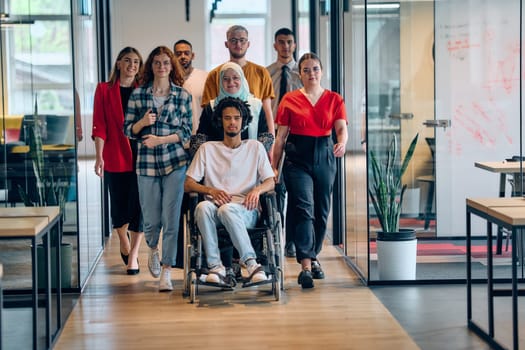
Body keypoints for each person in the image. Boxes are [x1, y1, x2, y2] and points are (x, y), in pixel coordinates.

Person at [272, 53, 348, 289]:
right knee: (304, 207)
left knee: (322, 208)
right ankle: (306, 265)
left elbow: (341, 128)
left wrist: (342, 143)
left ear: (321, 72)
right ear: (300, 74)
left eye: (315, 69)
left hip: (325, 154)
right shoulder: (290, 99)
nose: (311, 73)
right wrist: (274, 166)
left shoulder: (334, 99)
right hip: (297, 157)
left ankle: (314, 256)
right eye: (306, 70)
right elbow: (281, 137)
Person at [185, 97, 275, 285]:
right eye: (227, 118)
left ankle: (251, 264)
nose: (232, 122)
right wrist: (210, 190)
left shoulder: (255, 147)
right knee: (202, 207)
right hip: (215, 208)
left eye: (236, 118)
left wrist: (257, 191)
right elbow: (188, 183)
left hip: (245, 209)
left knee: (227, 209)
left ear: (244, 121)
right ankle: (216, 267)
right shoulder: (207, 149)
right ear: (220, 120)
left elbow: (270, 182)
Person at [123, 46, 192, 292]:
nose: (161, 66)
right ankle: (152, 247)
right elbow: (126, 130)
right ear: (150, 66)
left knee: (171, 219)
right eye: (157, 63)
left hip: (175, 163)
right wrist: (142, 123)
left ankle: (166, 270)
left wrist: (160, 140)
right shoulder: (138, 95)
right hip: (147, 165)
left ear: (172, 66)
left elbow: (186, 133)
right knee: (151, 219)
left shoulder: (183, 96)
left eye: (166, 62)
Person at [92, 46, 144, 275]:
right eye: (127, 60)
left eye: (136, 62)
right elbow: (99, 124)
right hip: (115, 154)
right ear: (118, 64)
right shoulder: (104, 90)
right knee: (119, 206)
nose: (131, 65)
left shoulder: (143, 90)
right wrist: (98, 156)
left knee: (140, 206)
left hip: (142, 156)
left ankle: (133, 257)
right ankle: (122, 238)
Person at [201, 25, 275, 143]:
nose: (238, 44)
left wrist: (271, 144)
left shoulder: (261, 73)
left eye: (242, 40)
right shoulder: (214, 75)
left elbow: (266, 110)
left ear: (248, 43)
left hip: (252, 141)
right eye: (233, 40)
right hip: (219, 143)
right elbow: (209, 114)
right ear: (226, 44)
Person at [266, 27, 303, 258]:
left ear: (295, 45)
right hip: (274, 137)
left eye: (289, 42)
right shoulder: (268, 73)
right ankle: (277, 240)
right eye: (281, 42)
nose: (285, 46)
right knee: (277, 188)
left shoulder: (304, 73)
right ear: (275, 45)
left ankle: (292, 241)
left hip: (298, 138)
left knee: (297, 192)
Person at [190, 61, 273, 156]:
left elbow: (265, 135)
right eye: (226, 79)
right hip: (217, 162)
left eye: (235, 78)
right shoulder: (211, 107)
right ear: (220, 81)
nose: (231, 82)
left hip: (249, 161)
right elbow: (200, 137)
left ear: (242, 79)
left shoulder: (256, 106)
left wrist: (255, 153)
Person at [173, 39, 208, 135]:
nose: (183, 57)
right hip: (174, 139)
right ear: (173, 57)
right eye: (178, 54)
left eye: (186, 53)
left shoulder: (205, 77)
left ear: (192, 56)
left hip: (199, 136)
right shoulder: (167, 79)